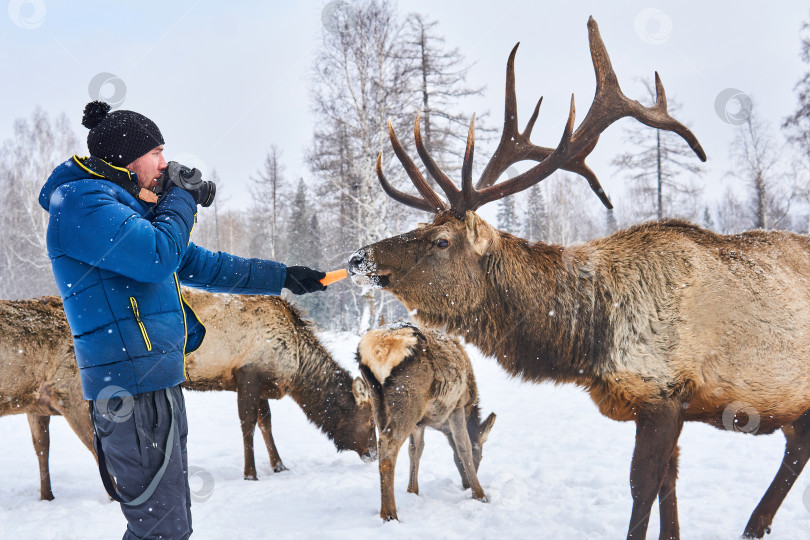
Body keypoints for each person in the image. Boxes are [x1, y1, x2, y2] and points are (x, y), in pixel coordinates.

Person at [38, 100, 327, 539]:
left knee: (170, 522)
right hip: (130, 391)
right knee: (161, 528)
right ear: (126, 159)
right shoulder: (83, 205)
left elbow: (201, 264)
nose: (165, 163)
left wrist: (283, 276)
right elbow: (160, 256)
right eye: (156, 152)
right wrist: (180, 200)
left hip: (155, 382)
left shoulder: (122, 211)